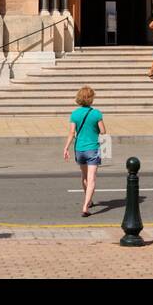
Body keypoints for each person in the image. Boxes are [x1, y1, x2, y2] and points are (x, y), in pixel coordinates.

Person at [63, 86, 105, 217]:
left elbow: (71, 132)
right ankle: (85, 206)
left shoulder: (75, 114)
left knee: (85, 176)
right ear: (91, 98)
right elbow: (103, 131)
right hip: (93, 148)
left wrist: (66, 147)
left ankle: (89, 200)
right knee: (92, 178)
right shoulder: (96, 113)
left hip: (79, 149)